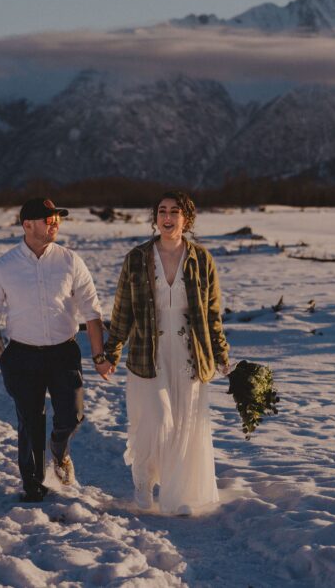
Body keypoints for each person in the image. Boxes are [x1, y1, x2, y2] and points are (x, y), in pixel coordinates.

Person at [103, 190, 230, 515]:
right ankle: (144, 481)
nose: (167, 217)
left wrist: (221, 353)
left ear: (186, 218)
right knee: (157, 421)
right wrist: (111, 352)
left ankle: (179, 495)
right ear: (155, 218)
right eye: (162, 211)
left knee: (186, 425)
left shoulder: (202, 260)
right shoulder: (137, 258)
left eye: (175, 211)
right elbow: (122, 310)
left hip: (190, 352)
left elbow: (213, 313)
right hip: (149, 352)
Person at [0, 197, 110, 503]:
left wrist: (99, 355)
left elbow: (92, 312)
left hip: (63, 353)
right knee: (30, 420)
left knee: (72, 416)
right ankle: (33, 484)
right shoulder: (4, 267)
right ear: (27, 225)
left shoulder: (70, 261)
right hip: (21, 356)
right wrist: (4, 358)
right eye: (48, 220)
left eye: (57, 219)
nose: (55, 224)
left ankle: (59, 449)